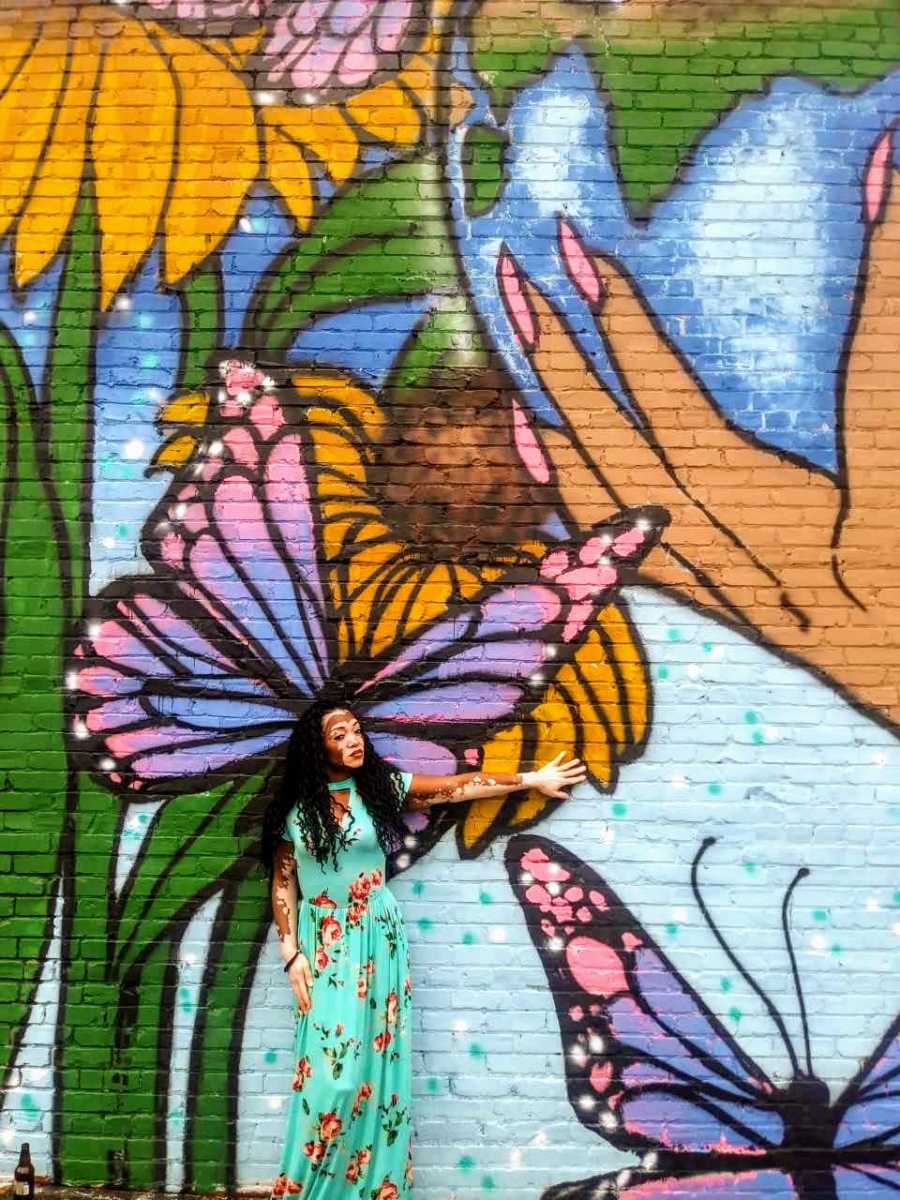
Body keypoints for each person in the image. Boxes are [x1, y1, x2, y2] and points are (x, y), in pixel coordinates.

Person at [260, 695, 586, 1198]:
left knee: (376, 1063)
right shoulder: (296, 814)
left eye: (355, 730)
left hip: (378, 933)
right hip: (324, 944)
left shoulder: (381, 790)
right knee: (333, 1075)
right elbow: (284, 882)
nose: (353, 740)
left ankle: (371, 1188)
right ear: (315, 748)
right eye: (339, 734)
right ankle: (309, 1190)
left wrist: (530, 780)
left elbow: (457, 788)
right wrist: (291, 951)